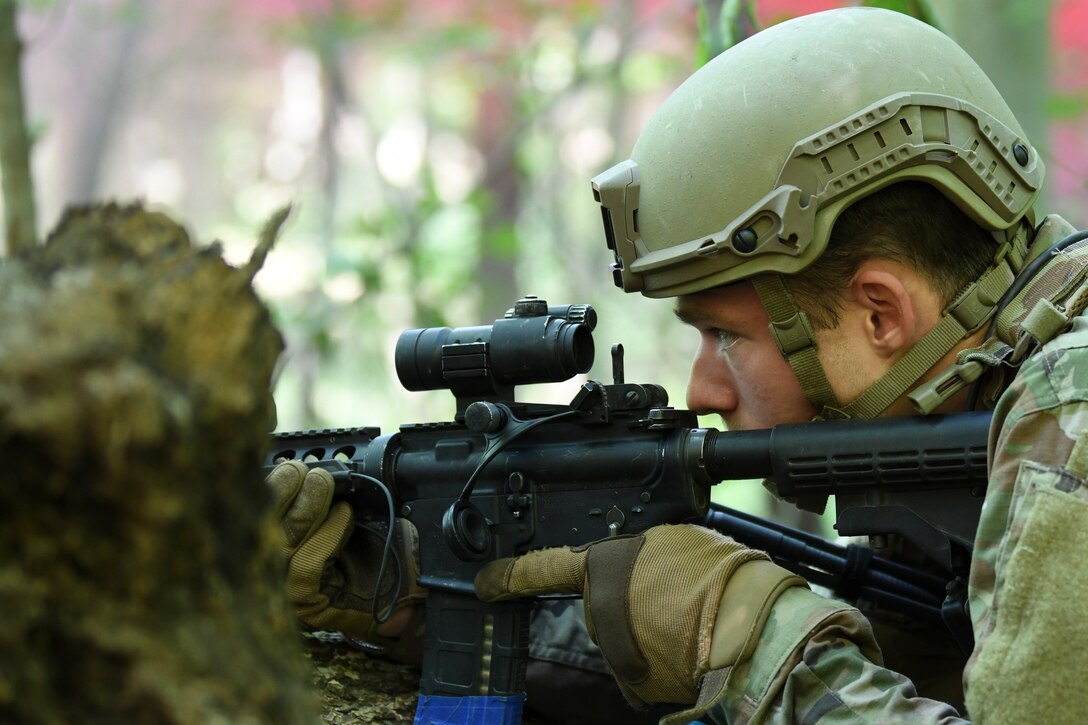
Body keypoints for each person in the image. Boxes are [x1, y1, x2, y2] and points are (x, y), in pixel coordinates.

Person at [272, 7, 1088, 723]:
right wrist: (428, 594)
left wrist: (744, 635)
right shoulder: (965, 401)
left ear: (882, 314)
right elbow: (912, 687)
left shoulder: (1070, 412)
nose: (702, 389)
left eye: (725, 334)